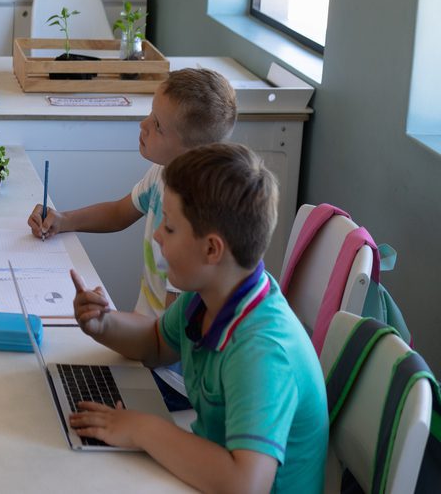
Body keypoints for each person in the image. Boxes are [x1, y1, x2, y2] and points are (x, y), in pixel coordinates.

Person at [66, 143, 327, 494]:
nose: (156, 234)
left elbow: (245, 484)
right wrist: (105, 324)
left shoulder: (261, 351)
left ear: (211, 249)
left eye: (169, 228)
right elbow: (157, 343)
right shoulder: (210, 296)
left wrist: (144, 430)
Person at [28, 68, 237, 321]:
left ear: (190, 153)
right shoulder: (162, 173)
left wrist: (109, 323)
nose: (144, 124)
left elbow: (170, 339)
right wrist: (63, 220)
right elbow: (119, 213)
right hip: (144, 330)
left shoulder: (193, 222)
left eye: (157, 125)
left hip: (158, 347)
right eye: (151, 113)